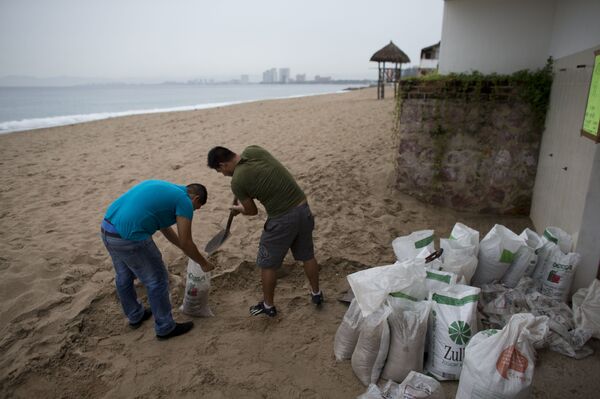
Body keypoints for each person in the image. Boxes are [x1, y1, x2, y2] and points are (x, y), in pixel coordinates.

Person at [207, 145, 322, 317]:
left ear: (223, 165)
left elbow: (252, 211)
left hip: (281, 219)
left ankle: (268, 305)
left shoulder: (237, 181)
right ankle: (316, 294)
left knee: (267, 264)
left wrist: (238, 209)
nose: (223, 175)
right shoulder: (254, 151)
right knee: (307, 255)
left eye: (220, 171)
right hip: (303, 209)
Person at [101, 179, 215, 340]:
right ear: (195, 199)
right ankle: (165, 327)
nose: (193, 211)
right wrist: (203, 263)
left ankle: (135, 315)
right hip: (130, 237)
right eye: (196, 208)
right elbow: (186, 241)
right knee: (158, 279)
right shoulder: (185, 201)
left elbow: (164, 227)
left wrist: (182, 247)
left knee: (124, 275)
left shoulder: (166, 190)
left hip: (108, 230)